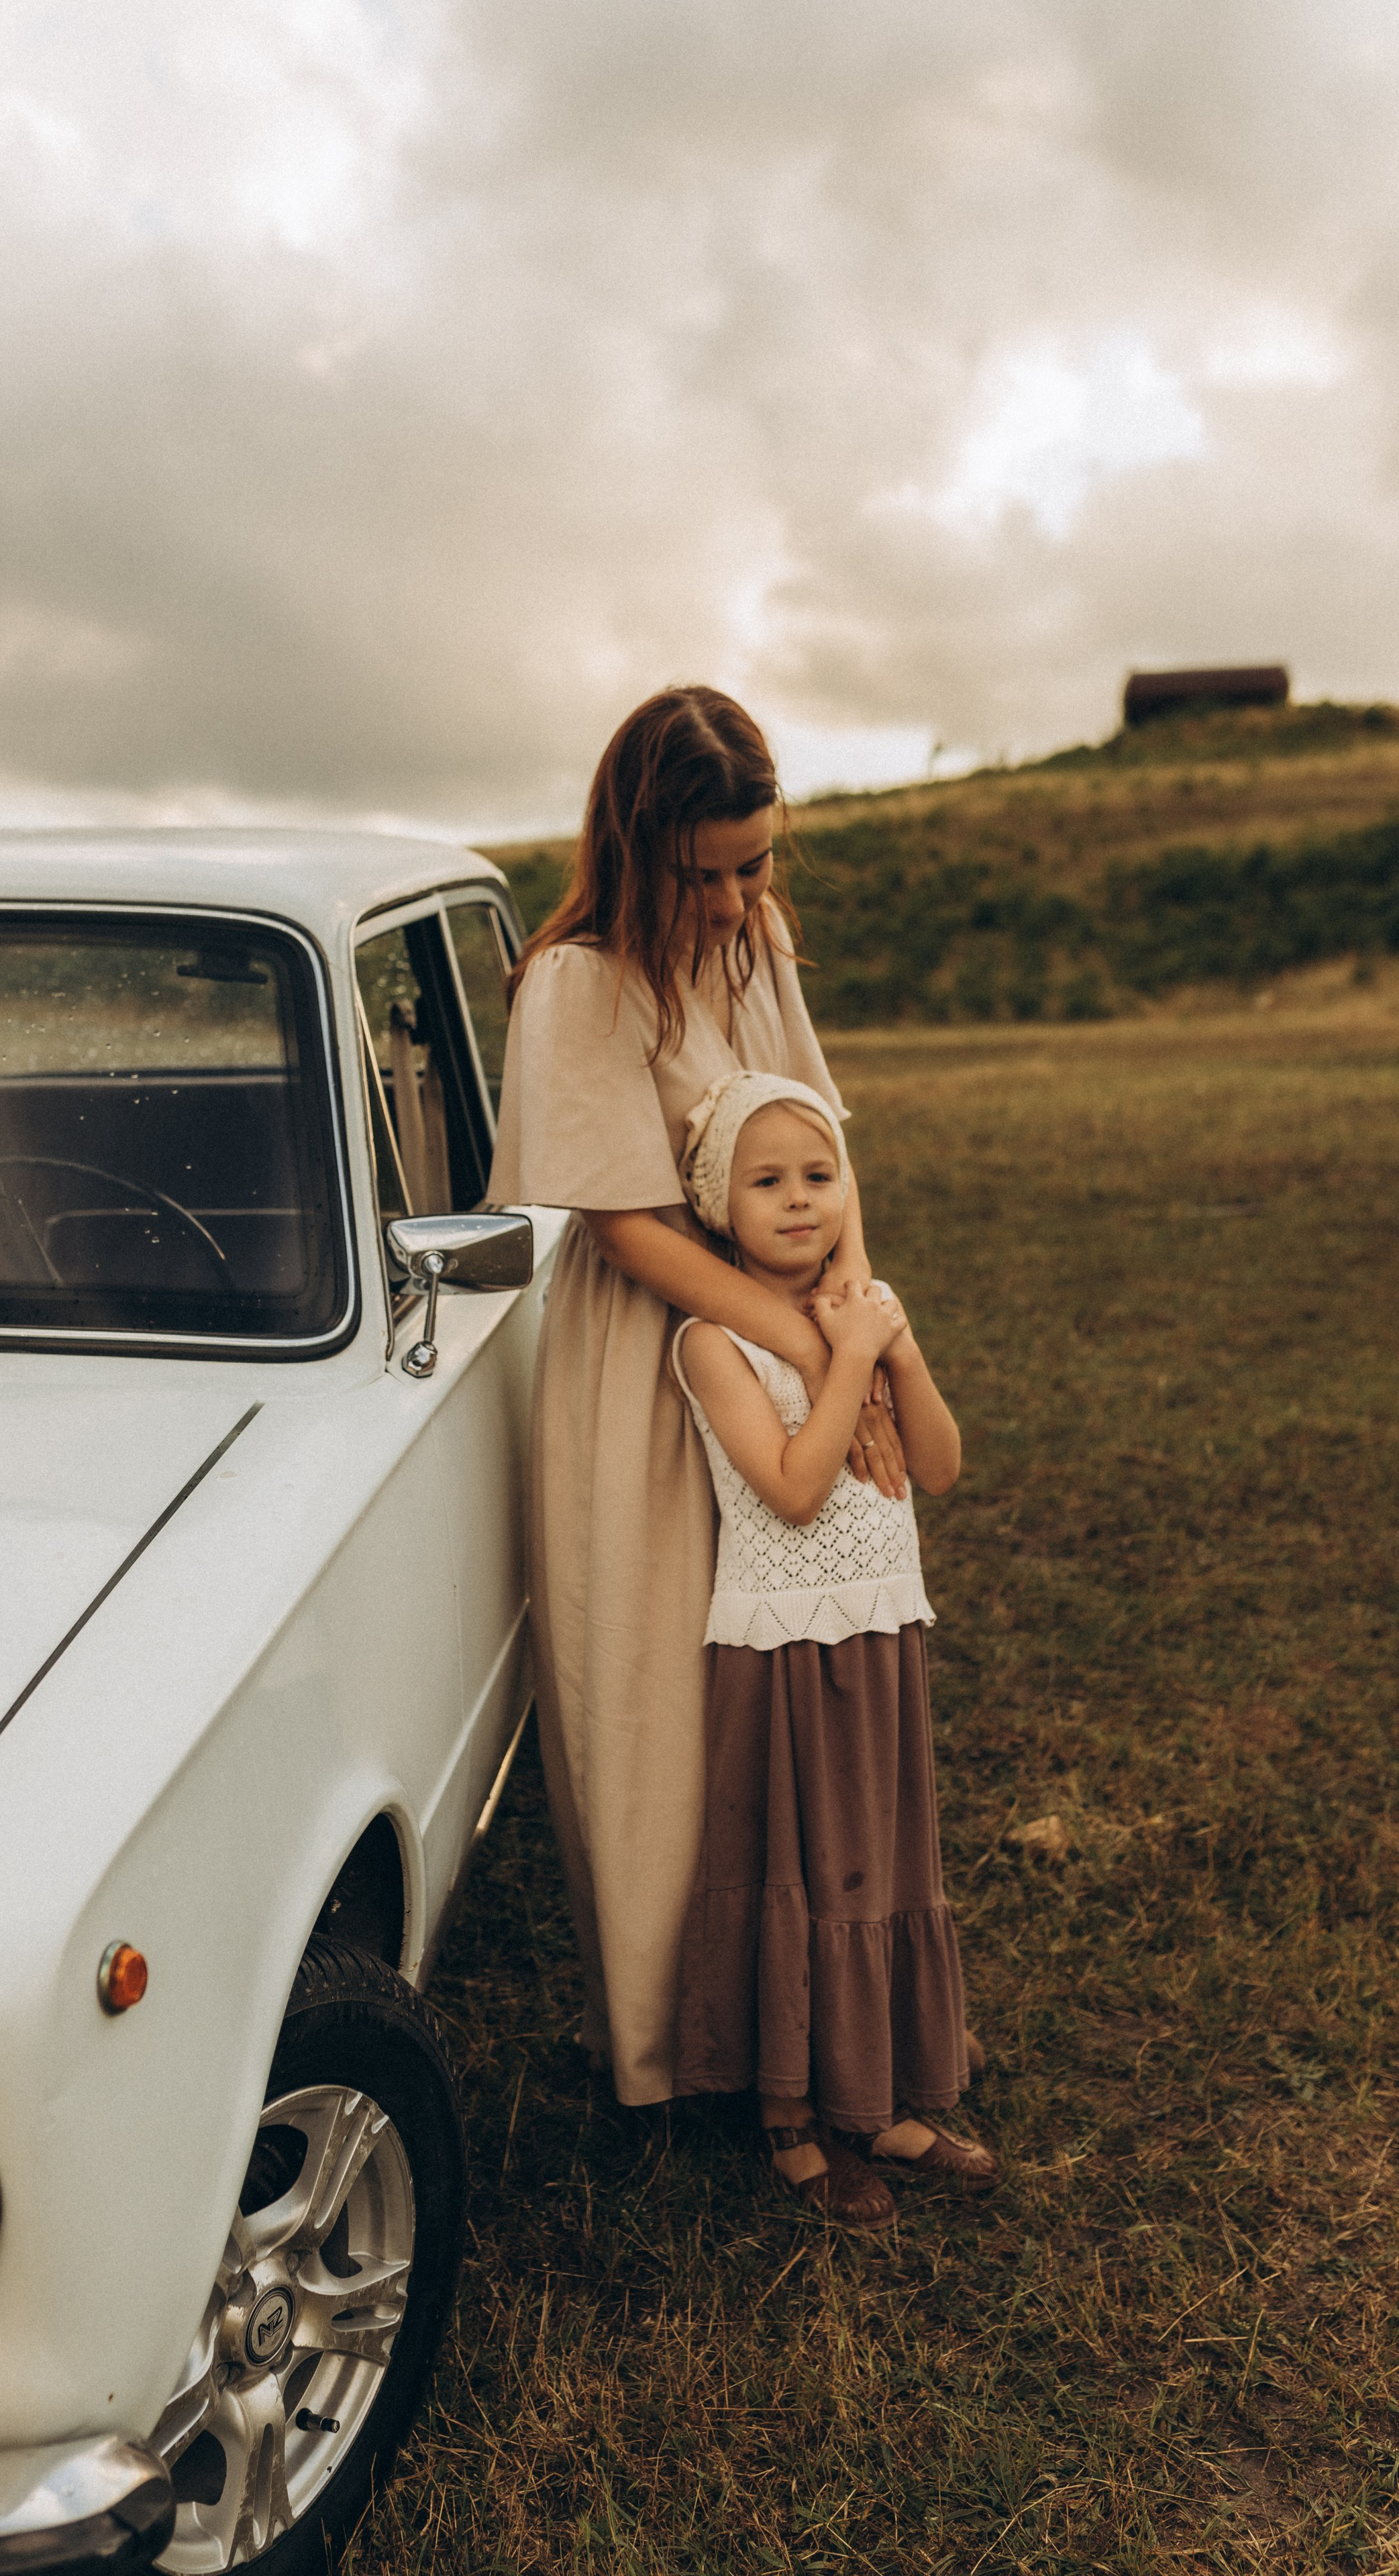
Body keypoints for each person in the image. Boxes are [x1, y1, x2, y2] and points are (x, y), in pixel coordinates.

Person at [485, 684, 903, 2107]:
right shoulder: (578, 981)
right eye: (705, 871)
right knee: (662, 1695)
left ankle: (795, 2013)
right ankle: (674, 2046)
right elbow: (626, 1226)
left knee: (796, 1677)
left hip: (790, 1338)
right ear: (637, 844)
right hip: (646, 1359)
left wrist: (863, 1339)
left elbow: (820, 1144)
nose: (734, 899)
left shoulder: (756, 942)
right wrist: (802, 1346)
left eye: (757, 863)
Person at [670, 1071, 996, 2227]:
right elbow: (797, 1488)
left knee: (887, 1862)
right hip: (786, 1647)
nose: (799, 1202)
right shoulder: (712, 1342)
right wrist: (846, 1354)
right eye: (767, 1183)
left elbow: (943, 1465)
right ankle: (789, 2114)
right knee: (801, 1870)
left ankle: (884, 2102)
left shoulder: (869, 1311)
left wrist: (893, 1349)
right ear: (719, 1210)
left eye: (819, 1177)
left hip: (883, 1626)